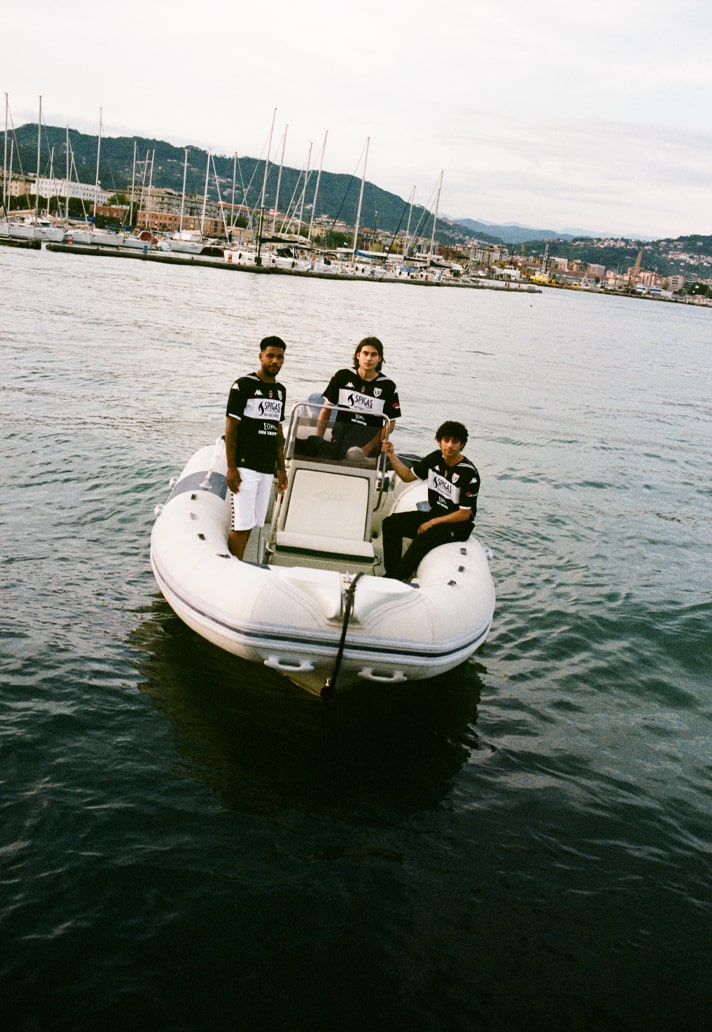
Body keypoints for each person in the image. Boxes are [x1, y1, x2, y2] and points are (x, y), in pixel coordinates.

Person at [381, 421, 480, 582]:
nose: (450, 445)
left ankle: (398, 578)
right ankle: (391, 572)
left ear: (461, 444)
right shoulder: (435, 458)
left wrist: (432, 522)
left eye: (455, 441)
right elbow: (407, 476)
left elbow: (465, 514)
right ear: (439, 441)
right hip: (436, 514)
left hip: (457, 525)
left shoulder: (468, 473)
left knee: (425, 537)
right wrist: (391, 455)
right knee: (391, 524)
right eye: (446, 440)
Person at [225, 336, 288, 560]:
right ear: (261, 356)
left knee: (252, 523)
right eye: (270, 356)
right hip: (245, 465)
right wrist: (231, 467)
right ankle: (232, 567)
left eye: (279, 357)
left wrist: (281, 468)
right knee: (241, 525)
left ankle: (238, 563)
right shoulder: (243, 385)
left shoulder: (280, 391)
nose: (275, 361)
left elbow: (277, 433)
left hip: (266, 467)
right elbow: (231, 427)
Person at [313, 336, 401, 460]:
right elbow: (326, 409)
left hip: (368, 448)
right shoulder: (343, 376)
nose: (369, 358)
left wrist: (366, 449)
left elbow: (390, 424)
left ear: (380, 358)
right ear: (358, 355)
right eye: (365, 353)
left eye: (373, 354)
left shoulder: (388, 386)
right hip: (340, 440)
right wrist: (318, 439)